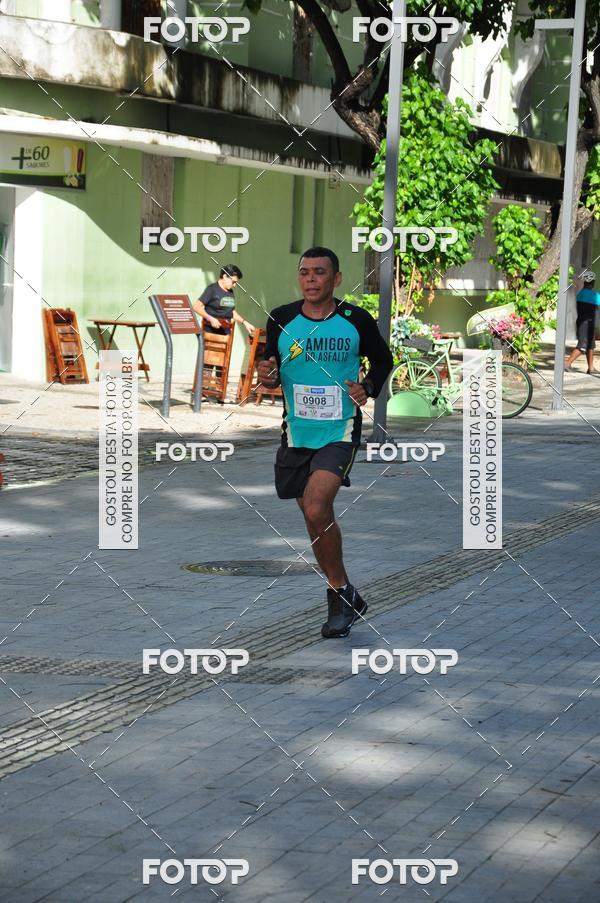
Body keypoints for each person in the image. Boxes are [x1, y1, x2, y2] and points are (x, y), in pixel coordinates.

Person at [257, 247, 393, 639]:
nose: (311, 279)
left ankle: (337, 597)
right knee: (316, 518)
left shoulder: (355, 320)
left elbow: (383, 360)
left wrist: (367, 387)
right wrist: (267, 375)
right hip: (296, 433)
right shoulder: (281, 319)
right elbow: (271, 371)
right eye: (305, 272)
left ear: (336, 278)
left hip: (339, 430)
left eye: (320, 272)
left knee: (317, 507)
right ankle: (345, 592)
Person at [193, 265, 256, 336]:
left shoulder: (230, 292)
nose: (234, 285)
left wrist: (245, 322)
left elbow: (231, 312)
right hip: (210, 334)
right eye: (233, 282)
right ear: (225, 276)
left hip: (226, 335)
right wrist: (210, 319)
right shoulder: (212, 289)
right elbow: (196, 307)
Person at [566, 270, 600, 376]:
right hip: (588, 324)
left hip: (582, 322)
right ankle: (567, 363)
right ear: (593, 282)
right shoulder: (595, 295)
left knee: (590, 346)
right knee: (583, 346)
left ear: (585, 282)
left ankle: (591, 368)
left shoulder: (580, 294)